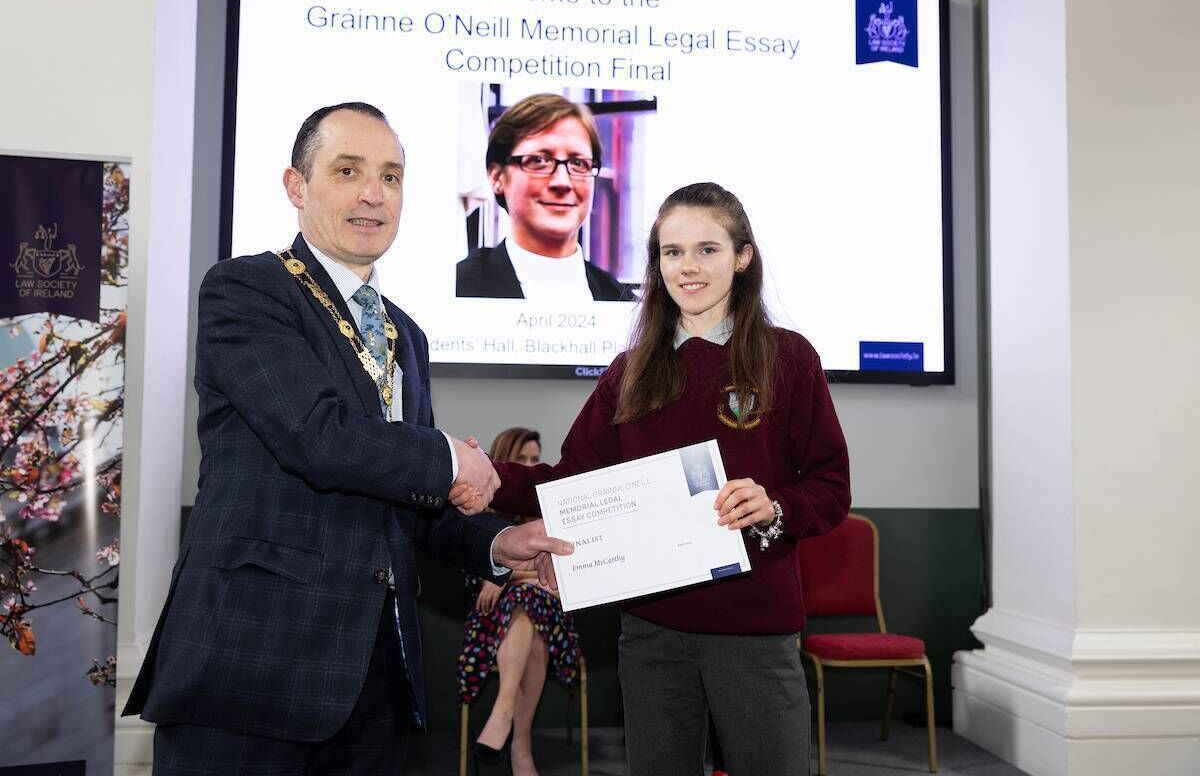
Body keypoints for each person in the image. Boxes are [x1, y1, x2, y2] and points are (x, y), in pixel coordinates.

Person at [122, 102, 572, 776]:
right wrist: (452, 454)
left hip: (378, 683)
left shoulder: (406, 335)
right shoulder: (248, 290)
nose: (374, 193)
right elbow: (317, 436)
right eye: (348, 170)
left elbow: (412, 501)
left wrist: (495, 544)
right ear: (296, 187)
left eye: (391, 177)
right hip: (254, 672)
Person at [454, 182, 851, 775]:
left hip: (755, 631)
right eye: (672, 252)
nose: (688, 267)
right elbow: (572, 479)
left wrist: (775, 506)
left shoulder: (788, 358)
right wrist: (492, 477)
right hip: (652, 633)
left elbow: (830, 485)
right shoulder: (629, 372)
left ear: (743, 257)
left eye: (707, 249)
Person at [457, 428, 582, 776]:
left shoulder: (551, 512)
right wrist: (516, 576)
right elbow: (473, 575)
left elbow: (561, 580)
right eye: (523, 457)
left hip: (549, 622)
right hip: (492, 625)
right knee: (530, 602)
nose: (531, 464)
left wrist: (502, 576)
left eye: (534, 457)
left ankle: (504, 711)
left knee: (532, 601)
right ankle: (521, 747)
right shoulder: (480, 505)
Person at [455, 93, 634, 302]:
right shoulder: (461, 288)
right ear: (497, 177)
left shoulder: (623, 302)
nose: (562, 182)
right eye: (539, 160)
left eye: (578, 163)